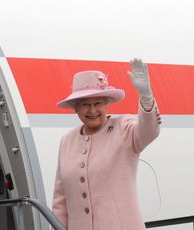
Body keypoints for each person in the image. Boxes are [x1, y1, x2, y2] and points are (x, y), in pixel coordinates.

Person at [52, 58, 161, 230]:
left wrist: (146, 98)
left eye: (98, 103)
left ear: (107, 105)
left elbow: (148, 132)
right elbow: (60, 201)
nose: (92, 110)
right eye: (85, 105)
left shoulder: (123, 128)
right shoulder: (67, 140)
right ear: (75, 108)